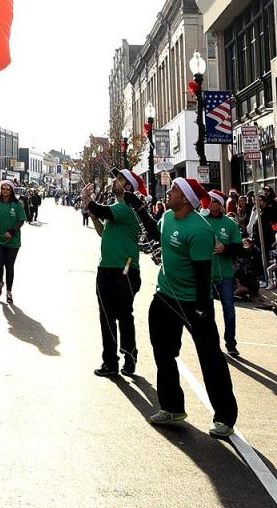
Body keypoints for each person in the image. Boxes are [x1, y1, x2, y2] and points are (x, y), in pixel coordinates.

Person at [125, 176, 238, 439]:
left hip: (194, 302)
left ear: (186, 199)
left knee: (210, 359)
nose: (169, 193)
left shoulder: (199, 230)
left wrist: (201, 308)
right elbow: (157, 232)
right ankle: (172, 407)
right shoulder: (167, 216)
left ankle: (225, 417)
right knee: (163, 352)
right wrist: (139, 208)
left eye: (174, 190)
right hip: (165, 296)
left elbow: (203, 273)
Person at [83, 170, 147, 377]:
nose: (115, 181)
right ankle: (110, 362)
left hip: (125, 270)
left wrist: (87, 200)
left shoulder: (126, 208)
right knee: (106, 317)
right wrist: (94, 218)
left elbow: (100, 210)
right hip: (106, 268)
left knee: (123, 315)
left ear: (129, 187)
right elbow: (103, 231)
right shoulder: (115, 208)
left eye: (120, 180)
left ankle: (129, 355)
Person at [206, 189, 249, 359]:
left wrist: (225, 249)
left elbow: (240, 248)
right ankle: (211, 343)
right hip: (206, 274)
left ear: (219, 204)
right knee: (206, 312)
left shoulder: (229, 224)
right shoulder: (201, 220)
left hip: (225, 274)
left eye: (211, 200)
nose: (207, 203)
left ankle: (230, 343)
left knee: (229, 309)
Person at [0, 180, 26, 304]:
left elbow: (21, 220)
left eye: (8, 189)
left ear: (12, 190)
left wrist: (12, 231)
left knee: (9, 265)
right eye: (3, 188)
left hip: (12, 240)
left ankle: (9, 291)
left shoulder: (17, 204)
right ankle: (0, 282)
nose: (5, 190)